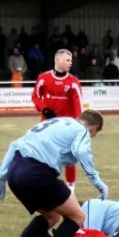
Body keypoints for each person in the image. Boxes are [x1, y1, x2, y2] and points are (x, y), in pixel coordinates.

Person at [0, 109, 109, 237]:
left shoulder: (57, 123)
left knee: (52, 216)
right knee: (77, 216)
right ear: (93, 128)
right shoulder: (81, 130)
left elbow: (15, 144)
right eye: (93, 135)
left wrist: (2, 177)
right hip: (37, 173)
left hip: (16, 171)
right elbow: (81, 152)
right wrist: (97, 182)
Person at [31, 49, 84, 193]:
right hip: (47, 125)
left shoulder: (73, 82)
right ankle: (45, 183)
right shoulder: (43, 78)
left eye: (71, 60)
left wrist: (79, 124)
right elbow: (35, 97)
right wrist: (44, 109)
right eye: (68, 60)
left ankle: (70, 187)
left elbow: (78, 105)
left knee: (69, 156)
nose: (70, 63)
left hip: (66, 126)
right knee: (45, 155)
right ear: (58, 60)